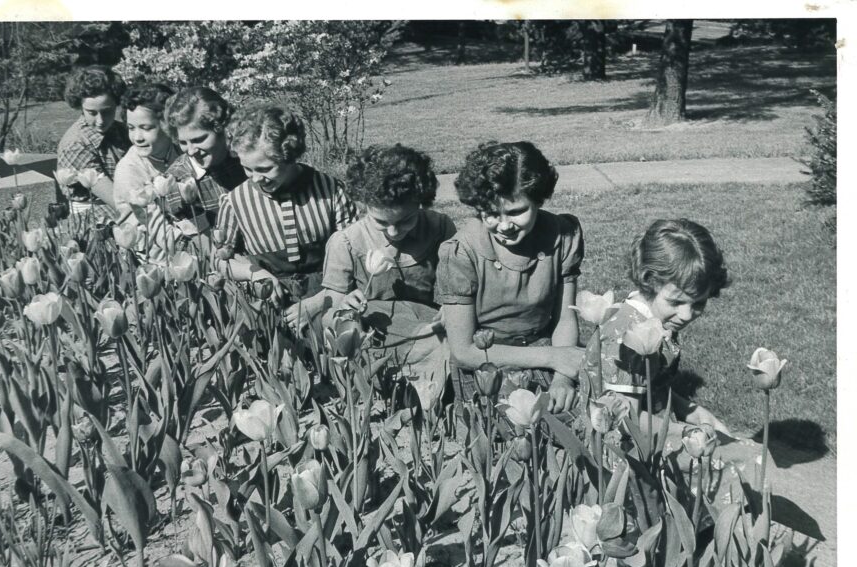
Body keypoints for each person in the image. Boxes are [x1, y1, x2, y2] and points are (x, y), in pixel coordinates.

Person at [436, 141, 584, 412]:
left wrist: (564, 377)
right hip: (487, 364)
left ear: (538, 199)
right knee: (523, 425)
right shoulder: (460, 252)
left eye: (517, 212)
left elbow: (564, 317)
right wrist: (554, 358)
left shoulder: (563, 235)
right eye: (491, 214)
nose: (504, 225)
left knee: (599, 412)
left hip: (547, 346)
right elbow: (464, 351)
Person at [581, 218, 732, 433]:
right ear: (649, 280)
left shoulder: (656, 320)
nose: (686, 314)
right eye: (676, 302)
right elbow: (627, 418)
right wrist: (688, 433)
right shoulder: (627, 335)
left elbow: (655, 390)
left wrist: (697, 414)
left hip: (654, 427)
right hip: (621, 442)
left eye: (699, 302)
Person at [285, 143, 456, 327]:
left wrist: (453, 305)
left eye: (405, 221)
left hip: (425, 323)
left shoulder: (439, 227)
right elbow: (331, 308)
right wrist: (344, 306)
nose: (394, 232)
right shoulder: (346, 242)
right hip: (374, 332)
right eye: (381, 222)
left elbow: (459, 281)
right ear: (363, 205)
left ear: (420, 203)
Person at [215, 102, 359, 303]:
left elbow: (354, 248)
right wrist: (255, 273)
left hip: (328, 291)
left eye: (265, 169)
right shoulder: (235, 202)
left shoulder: (329, 189)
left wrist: (324, 299)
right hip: (269, 295)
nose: (256, 179)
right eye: (248, 169)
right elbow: (221, 260)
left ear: (289, 156)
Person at [161, 86, 246, 235]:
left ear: (221, 128)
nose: (191, 151)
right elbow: (199, 242)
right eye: (183, 142)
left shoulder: (246, 155)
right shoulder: (178, 181)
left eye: (199, 139)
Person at [56, 65, 130, 216]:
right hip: (97, 216)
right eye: (92, 113)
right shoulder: (76, 144)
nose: (100, 120)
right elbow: (117, 201)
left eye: (107, 111)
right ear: (81, 107)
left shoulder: (122, 130)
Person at [112, 81, 177, 209]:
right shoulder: (129, 169)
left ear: (167, 125)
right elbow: (142, 218)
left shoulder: (181, 149)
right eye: (131, 128)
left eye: (146, 128)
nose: (137, 138)